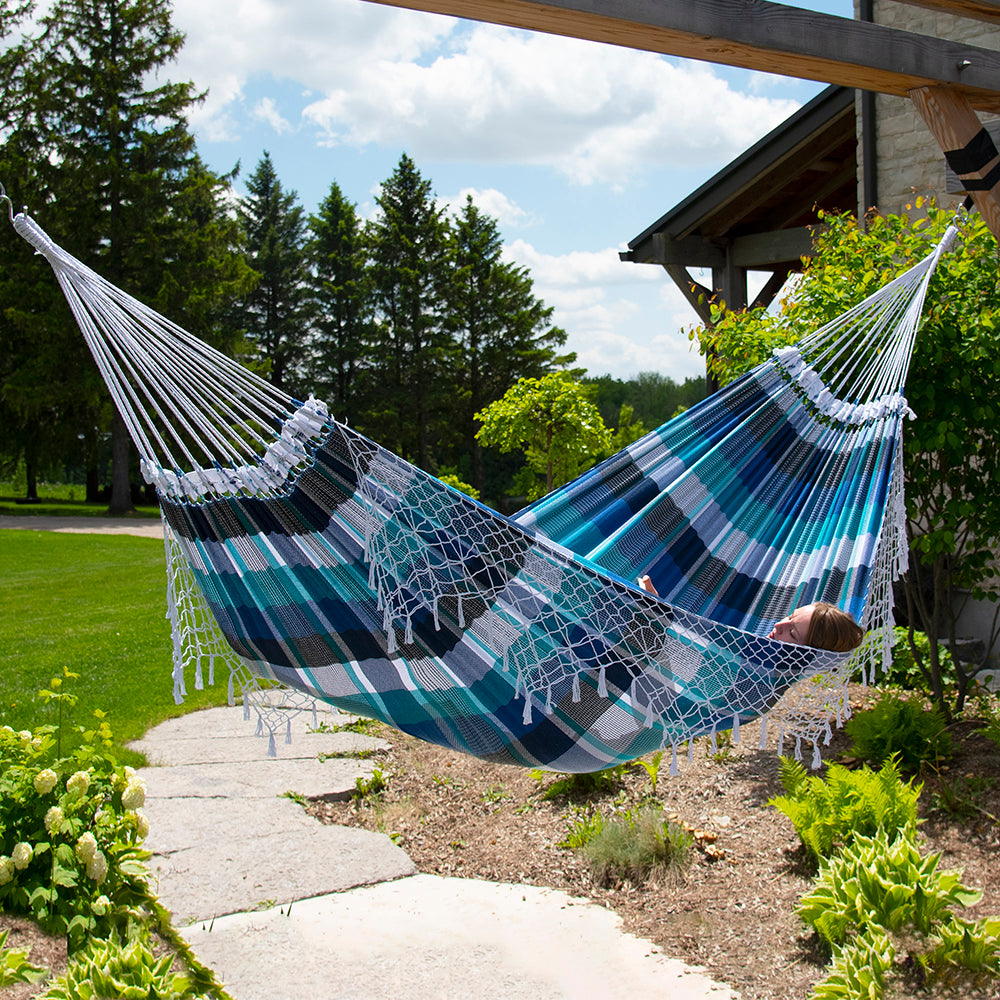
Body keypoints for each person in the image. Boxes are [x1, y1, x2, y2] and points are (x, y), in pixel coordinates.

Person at [637, 576, 864, 653]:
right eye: (789, 617)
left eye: (792, 633)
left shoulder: (756, 676)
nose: (778, 625)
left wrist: (657, 616)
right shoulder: (752, 650)